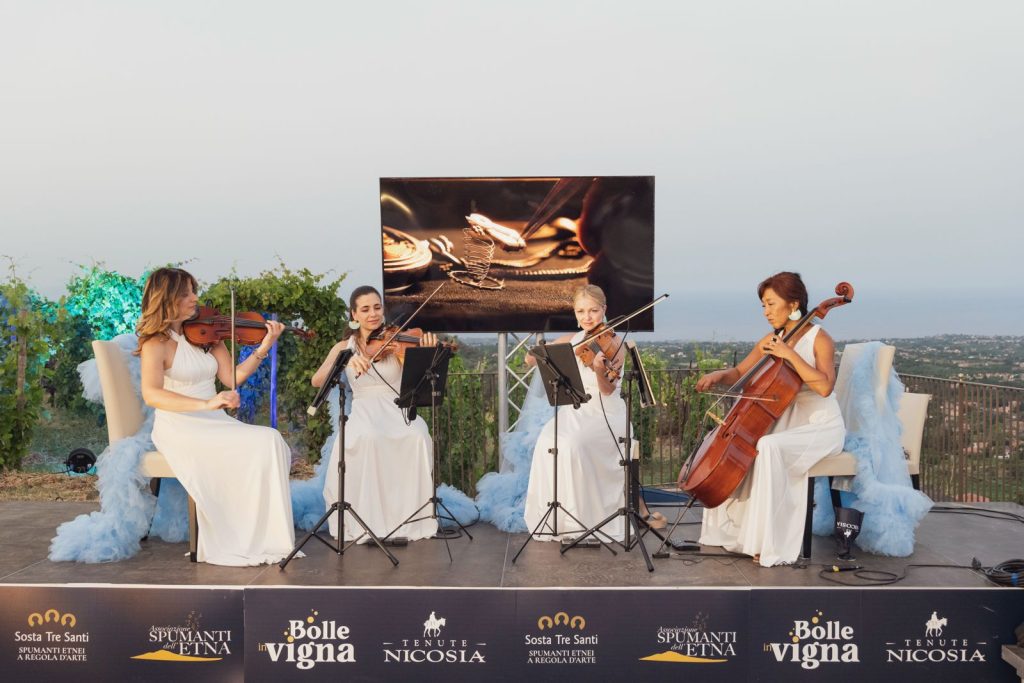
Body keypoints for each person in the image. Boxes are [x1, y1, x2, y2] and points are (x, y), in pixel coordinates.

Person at [138, 267, 297, 566]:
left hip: (214, 421)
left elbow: (232, 378)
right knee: (263, 442)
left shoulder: (206, 336)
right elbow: (152, 394)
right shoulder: (155, 343)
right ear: (167, 297)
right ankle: (237, 536)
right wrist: (207, 403)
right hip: (180, 425)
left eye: (194, 290)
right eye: (186, 293)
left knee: (270, 440)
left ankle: (266, 536)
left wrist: (264, 346)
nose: (195, 298)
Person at [696, 272, 847, 566]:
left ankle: (770, 543)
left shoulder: (820, 339)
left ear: (793, 305)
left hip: (820, 426)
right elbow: (740, 374)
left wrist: (789, 354)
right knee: (747, 445)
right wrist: (718, 376)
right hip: (786, 422)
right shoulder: (772, 339)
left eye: (770, 304)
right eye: (763, 305)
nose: (765, 312)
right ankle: (734, 535)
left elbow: (825, 387)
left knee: (768, 447)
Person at [522, 284, 662, 542]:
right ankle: (560, 520)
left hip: (606, 414)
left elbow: (608, 390)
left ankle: (586, 519)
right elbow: (538, 353)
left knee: (573, 444)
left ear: (604, 310)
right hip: (577, 408)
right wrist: (533, 357)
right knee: (547, 441)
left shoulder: (615, 343)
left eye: (593, 311)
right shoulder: (573, 339)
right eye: (581, 311)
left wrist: (599, 370)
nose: (587, 317)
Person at [313, 285, 439, 542]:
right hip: (364, 410)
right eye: (365, 309)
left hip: (398, 408)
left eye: (377, 307)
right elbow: (317, 380)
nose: (373, 314)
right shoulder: (344, 347)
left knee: (418, 434)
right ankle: (370, 519)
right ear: (354, 314)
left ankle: (410, 518)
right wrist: (344, 361)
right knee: (368, 437)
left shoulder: (399, 340)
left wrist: (427, 352)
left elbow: (418, 381)